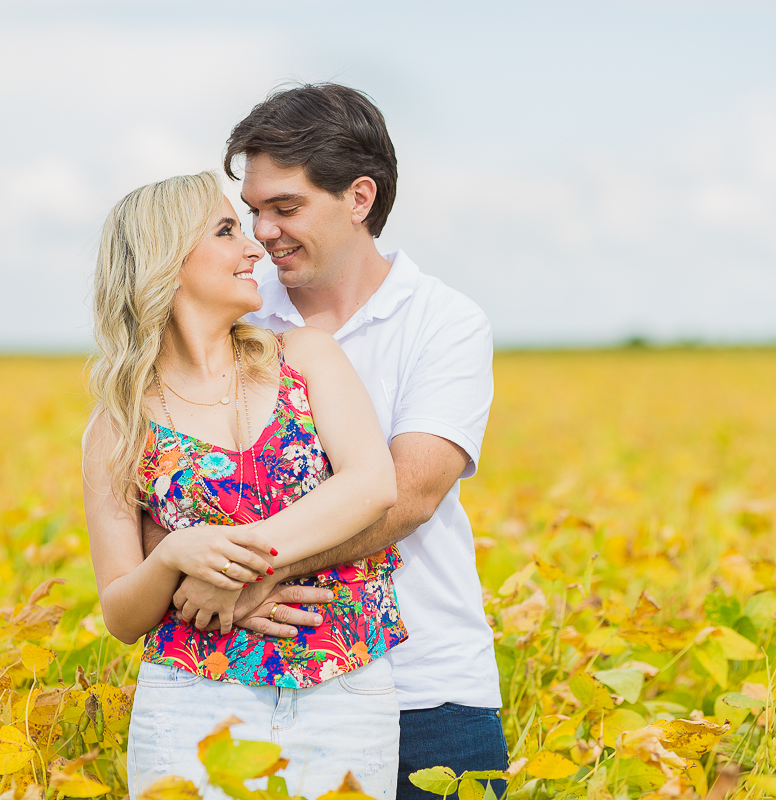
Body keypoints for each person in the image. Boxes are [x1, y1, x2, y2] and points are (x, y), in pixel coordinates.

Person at [143, 84, 509, 798]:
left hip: (429, 687)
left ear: (360, 199)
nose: (263, 232)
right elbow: (162, 491)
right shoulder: (238, 312)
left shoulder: (445, 323)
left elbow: (407, 496)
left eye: (286, 208)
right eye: (251, 212)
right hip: (255, 683)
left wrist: (249, 576)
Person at [82, 171, 406, 799]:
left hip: (345, 684)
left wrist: (232, 565)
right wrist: (176, 554)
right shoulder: (119, 421)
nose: (254, 246)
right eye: (227, 230)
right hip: (191, 700)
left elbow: (372, 485)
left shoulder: (307, 356)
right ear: (166, 259)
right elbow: (122, 613)